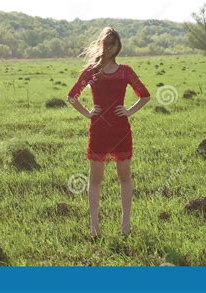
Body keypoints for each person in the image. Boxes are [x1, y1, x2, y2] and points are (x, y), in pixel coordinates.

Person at [67, 27, 151, 238]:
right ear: (101, 45)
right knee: (96, 179)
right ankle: (94, 227)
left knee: (125, 176)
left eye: (113, 43)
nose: (110, 47)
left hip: (121, 130)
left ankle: (125, 225)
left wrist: (128, 111)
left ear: (118, 46)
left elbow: (145, 95)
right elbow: (72, 96)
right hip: (99, 131)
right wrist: (87, 113)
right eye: (106, 43)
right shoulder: (91, 71)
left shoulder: (125, 71)